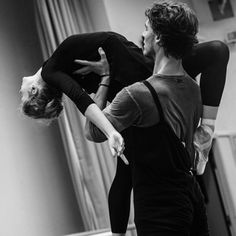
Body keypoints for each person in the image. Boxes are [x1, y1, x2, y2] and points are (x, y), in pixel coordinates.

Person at [20, 11, 229, 236]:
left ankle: (117, 233)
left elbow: (87, 104)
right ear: (33, 90)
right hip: (138, 72)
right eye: (21, 93)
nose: (20, 87)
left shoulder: (64, 67)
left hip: (137, 78)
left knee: (126, 170)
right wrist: (111, 131)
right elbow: (84, 102)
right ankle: (205, 134)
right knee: (217, 50)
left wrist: (106, 87)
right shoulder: (52, 70)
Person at [84, 1, 210, 235]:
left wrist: (104, 78)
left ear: (159, 37)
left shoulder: (138, 94)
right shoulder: (193, 87)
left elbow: (93, 131)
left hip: (160, 206)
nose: (142, 35)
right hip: (192, 198)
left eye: (146, 28)